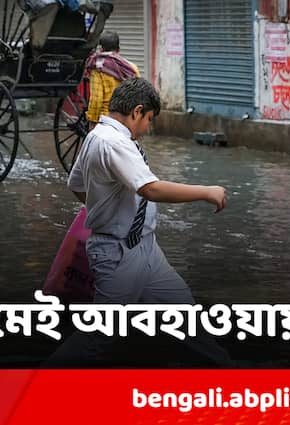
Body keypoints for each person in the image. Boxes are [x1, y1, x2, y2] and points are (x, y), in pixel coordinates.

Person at [48, 78, 231, 366]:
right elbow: (151, 189)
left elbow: (76, 185)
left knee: (183, 313)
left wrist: (103, 205)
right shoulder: (114, 142)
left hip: (144, 248)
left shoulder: (97, 135)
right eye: (148, 120)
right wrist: (206, 192)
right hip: (118, 253)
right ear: (136, 111)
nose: (147, 128)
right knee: (100, 336)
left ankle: (226, 371)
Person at [85, 30, 140, 125]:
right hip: (126, 120)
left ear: (101, 49)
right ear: (118, 48)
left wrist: (92, 121)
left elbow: (96, 100)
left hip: (106, 120)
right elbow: (138, 94)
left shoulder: (98, 69)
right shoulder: (132, 68)